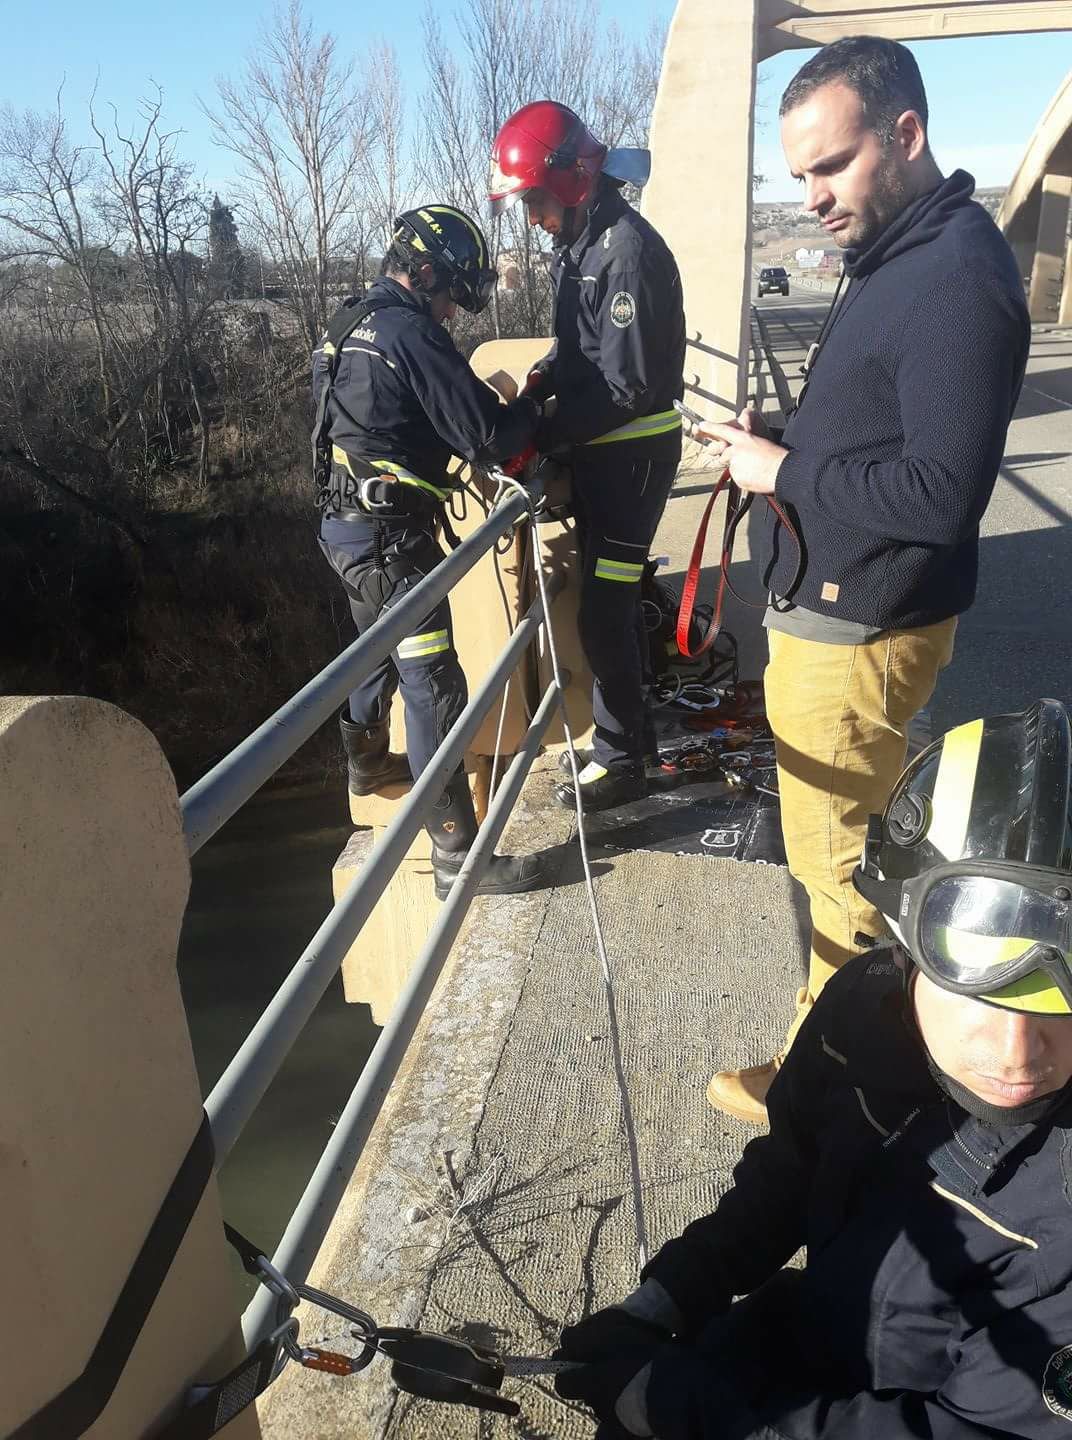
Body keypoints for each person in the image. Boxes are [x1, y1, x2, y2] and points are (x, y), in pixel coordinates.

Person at [555, 699, 1072, 1440]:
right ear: (903, 952)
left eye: (1061, 1006)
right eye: (972, 991)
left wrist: (679, 1406)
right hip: (810, 1341)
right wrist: (677, 1288)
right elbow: (791, 1168)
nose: (1018, 1055)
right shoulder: (859, 1016)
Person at [693, 37, 1031, 1122]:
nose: (814, 195)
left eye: (829, 166)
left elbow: (938, 493)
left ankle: (826, 1093)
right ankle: (875, 1058)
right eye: (796, 177)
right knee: (851, 858)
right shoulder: (902, 252)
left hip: (858, 631)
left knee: (835, 877)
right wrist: (780, 434)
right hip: (838, 617)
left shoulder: (955, 281)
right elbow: (878, 427)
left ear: (905, 135)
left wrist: (781, 468)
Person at [312, 205, 543, 899]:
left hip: (344, 528)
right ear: (426, 273)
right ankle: (456, 858)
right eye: (451, 297)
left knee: (373, 647)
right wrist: (533, 400)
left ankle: (365, 765)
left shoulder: (349, 322)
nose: (451, 314)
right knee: (433, 682)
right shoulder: (410, 331)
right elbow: (487, 436)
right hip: (389, 538)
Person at [488, 102, 686, 811]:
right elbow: (584, 350)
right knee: (610, 605)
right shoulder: (582, 247)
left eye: (536, 201)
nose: (532, 216)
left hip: (629, 463)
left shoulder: (623, 252)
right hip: (606, 460)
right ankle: (633, 741)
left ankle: (621, 761)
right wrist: (545, 375)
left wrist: (546, 433)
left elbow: (627, 385)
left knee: (604, 609)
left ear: (571, 185)